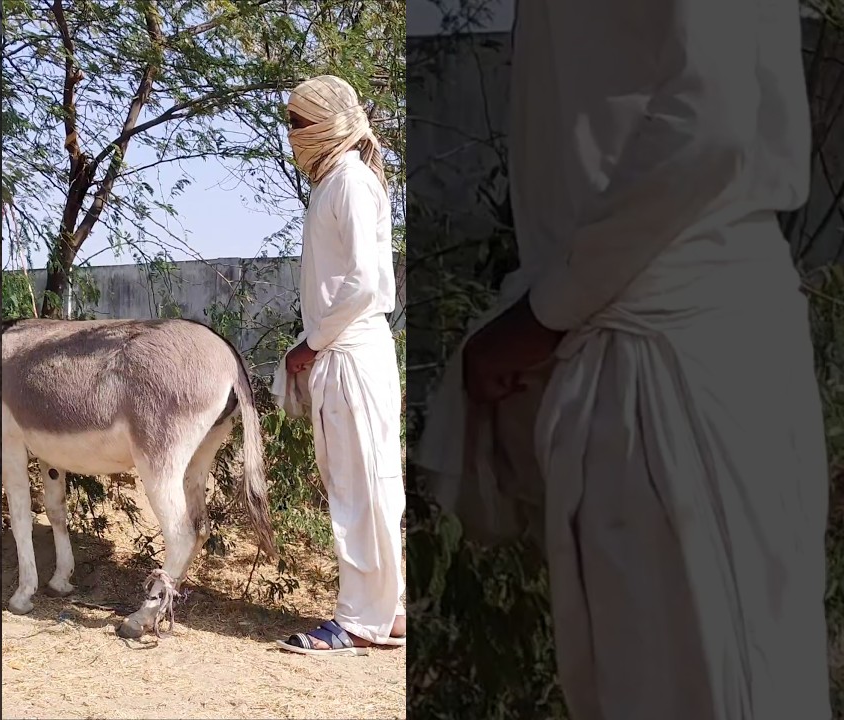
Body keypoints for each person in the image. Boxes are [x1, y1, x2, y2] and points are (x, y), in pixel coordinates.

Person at [419, 0, 831, 717]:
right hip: (647, 346)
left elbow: (710, 118)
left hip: (678, 363)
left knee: (714, 687)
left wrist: (547, 312)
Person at [271, 75, 406, 656]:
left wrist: (311, 343)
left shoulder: (349, 181)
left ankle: (357, 621)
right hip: (347, 352)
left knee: (361, 488)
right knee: (368, 486)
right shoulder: (342, 181)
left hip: (349, 352)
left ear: (324, 123)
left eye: (299, 124)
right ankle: (388, 611)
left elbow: (368, 283)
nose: (294, 135)